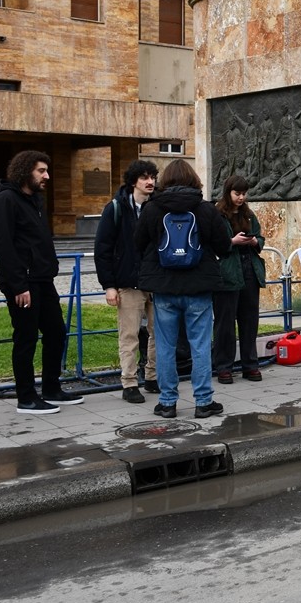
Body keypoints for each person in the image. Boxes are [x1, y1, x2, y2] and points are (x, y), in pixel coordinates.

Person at [135, 159, 233, 419]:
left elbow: (138, 243)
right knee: (200, 345)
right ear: (194, 180)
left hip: (164, 289)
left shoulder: (152, 209)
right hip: (199, 287)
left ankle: (167, 403)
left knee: (165, 346)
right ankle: (203, 402)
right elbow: (224, 246)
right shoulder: (205, 210)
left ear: (164, 180)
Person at [0, 151, 81, 414]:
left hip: (43, 280)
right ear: (24, 171)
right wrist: (19, 285)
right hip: (22, 283)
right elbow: (4, 245)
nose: (47, 176)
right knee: (26, 338)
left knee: (56, 332)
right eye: (41, 171)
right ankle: (26, 397)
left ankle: (51, 388)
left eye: (46, 170)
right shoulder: (7, 199)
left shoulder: (35, 201)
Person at [94, 159, 160, 404]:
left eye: (152, 176)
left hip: (156, 282)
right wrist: (109, 285)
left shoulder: (159, 206)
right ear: (134, 181)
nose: (150, 181)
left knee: (158, 333)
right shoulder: (116, 208)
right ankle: (129, 382)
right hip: (128, 282)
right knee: (129, 335)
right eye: (144, 177)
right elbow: (103, 249)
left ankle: (152, 377)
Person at [212, 176, 266, 384]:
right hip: (227, 272)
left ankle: (250, 364)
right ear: (228, 192)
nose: (241, 197)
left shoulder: (248, 214)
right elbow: (214, 242)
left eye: (244, 193)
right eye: (237, 193)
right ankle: (224, 367)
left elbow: (261, 237)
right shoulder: (218, 214)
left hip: (249, 270)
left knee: (249, 320)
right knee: (225, 323)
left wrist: (254, 241)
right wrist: (232, 241)